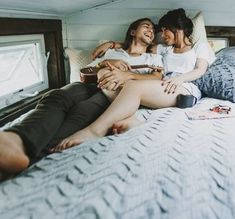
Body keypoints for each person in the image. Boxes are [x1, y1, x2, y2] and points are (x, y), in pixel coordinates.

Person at [0, 18, 162, 175]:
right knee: (56, 96)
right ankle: (15, 139)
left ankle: (31, 157)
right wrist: (105, 63)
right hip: (88, 85)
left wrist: (127, 75)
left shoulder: (153, 58)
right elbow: (86, 72)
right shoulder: (112, 51)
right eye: (146, 26)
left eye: (153, 30)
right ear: (133, 31)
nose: (150, 31)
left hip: (113, 93)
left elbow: (157, 78)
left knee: (82, 110)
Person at [53, 8, 215, 151]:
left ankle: (95, 131)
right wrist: (110, 44)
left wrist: (179, 79)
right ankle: (131, 118)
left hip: (184, 88)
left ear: (177, 29)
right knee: (108, 75)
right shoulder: (165, 49)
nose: (162, 35)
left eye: (166, 30)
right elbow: (133, 44)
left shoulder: (199, 47)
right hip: (161, 87)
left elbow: (200, 69)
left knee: (132, 86)